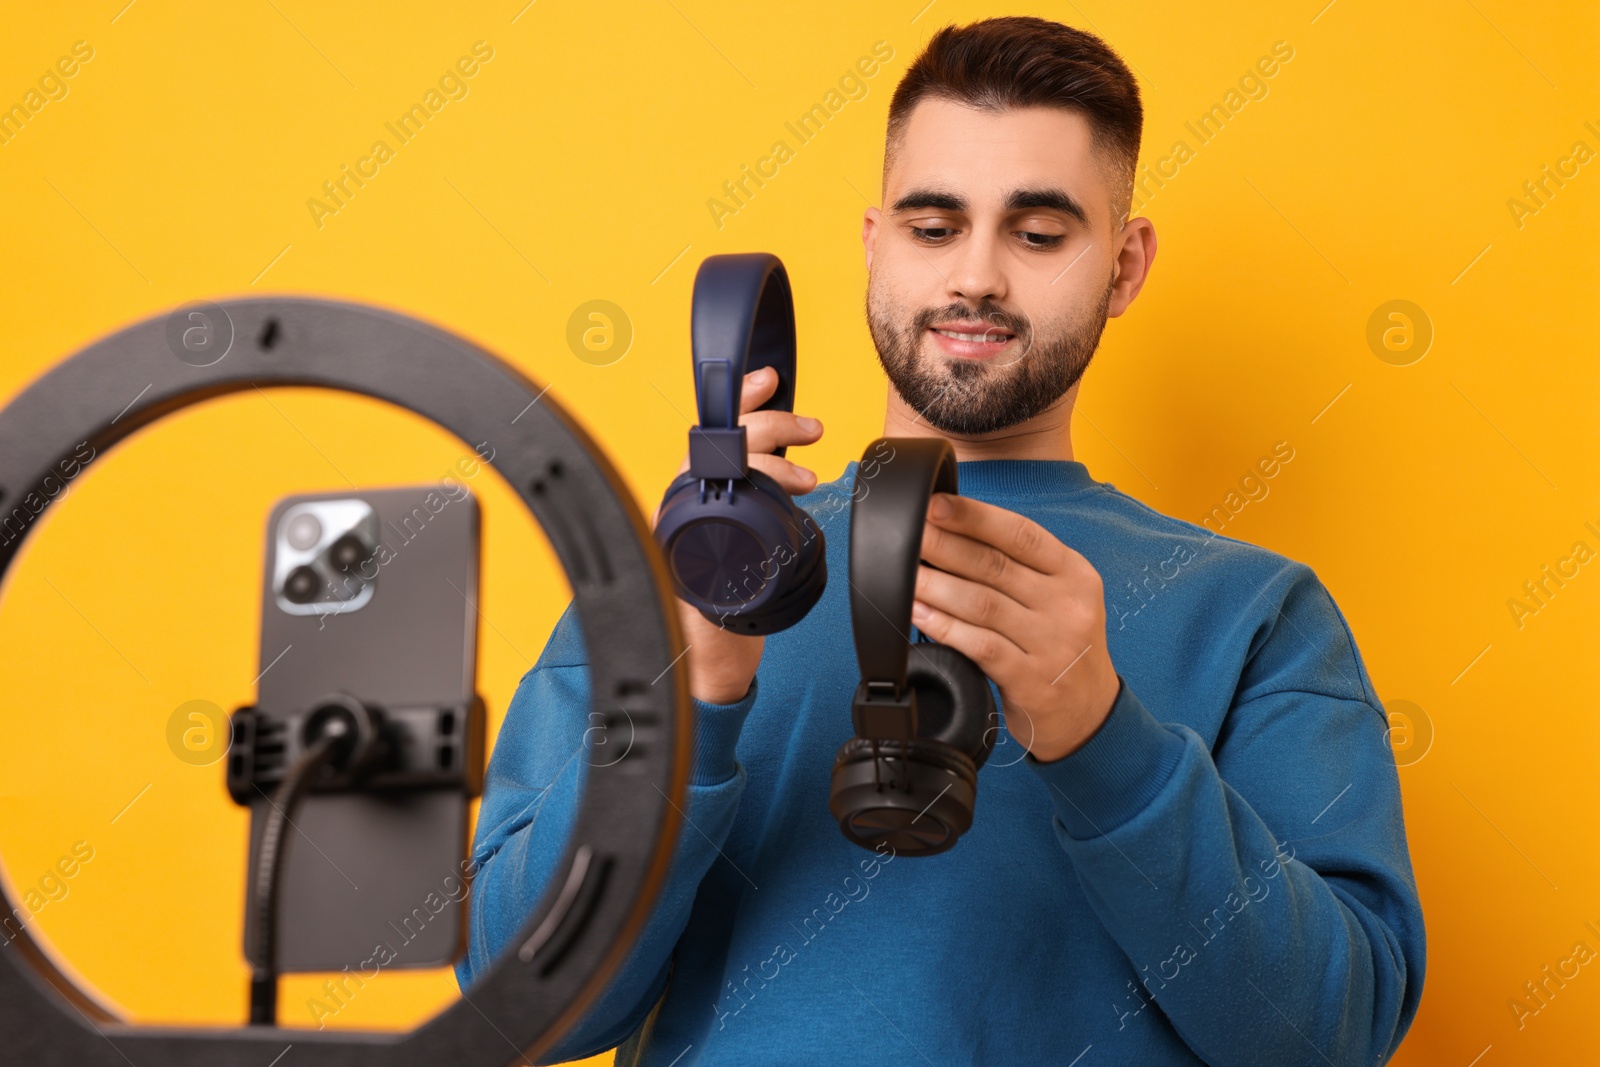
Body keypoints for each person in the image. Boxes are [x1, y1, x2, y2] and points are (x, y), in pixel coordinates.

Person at [456, 15, 1425, 1066]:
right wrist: (690, 696)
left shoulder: (1259, 613)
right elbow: (520, 1004)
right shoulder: (683, 582)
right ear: (874, 245)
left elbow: (1326, 1037)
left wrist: (1107, 739)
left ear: (1125, 265)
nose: (976, 278)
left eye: (1039, 234)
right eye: (932, 227)